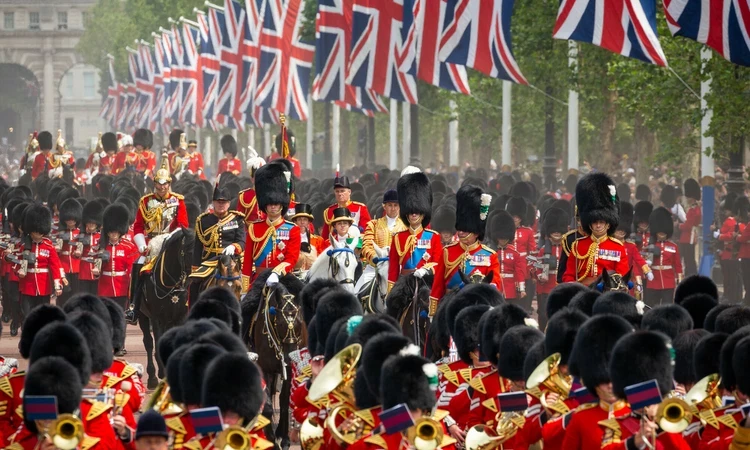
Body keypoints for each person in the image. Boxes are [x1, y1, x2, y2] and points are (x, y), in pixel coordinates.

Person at [126, 160, 189, 324]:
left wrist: (169, 239)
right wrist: (141, 245)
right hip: (150, 246)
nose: (162, 188)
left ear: (169, 184)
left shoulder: (178, 200)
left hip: (171, 242)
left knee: (185, 266)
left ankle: (188, 303)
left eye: (165, 184)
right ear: (154, 184)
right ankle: (133, 307)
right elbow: (138, 226)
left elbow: (183, 225)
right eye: (159, 185)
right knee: (137, 266)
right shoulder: (146, 201)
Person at [430, 185, 499, 309]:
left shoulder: (490, 255)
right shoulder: (447, 252)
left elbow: (495, 285)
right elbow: (438, 285)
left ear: (476, 231)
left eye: (465, 230)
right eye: (460, 229)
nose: (460, 233)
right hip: (449, 306)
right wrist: (433, 310)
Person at [241, 162, 300, 290]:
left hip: (283, 279)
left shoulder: (293, 229)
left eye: (276, 203)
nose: (273, 206)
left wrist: (276, 273)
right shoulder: (254, 228)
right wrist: (245, 289)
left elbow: (292, 258)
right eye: (270, 203)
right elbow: (247, 262)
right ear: (265, 204)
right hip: (258, 280)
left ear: (282, 204)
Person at [562, 173, 629, 284]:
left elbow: (622, 275)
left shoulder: (617, 247)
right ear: (589, 224)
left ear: (608, 224)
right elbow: (569, 275)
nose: (598, 225)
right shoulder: (578, 245)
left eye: (601, 222)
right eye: (595, 222)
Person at [387, 171, 441, 303]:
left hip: (426, 283)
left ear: (423, 214)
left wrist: (426, 270)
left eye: (417, 212)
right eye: (410, 212)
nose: (413, 215)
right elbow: (393, 269)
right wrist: (390, 292)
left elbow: (438, 263)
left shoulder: (433, 237)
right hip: (404, 285)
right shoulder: (398, 238)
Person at [189, 185, 246, 301]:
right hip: (211, 260)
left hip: (232, 260)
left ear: (229, 204)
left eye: (224, 202)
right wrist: (195, 268)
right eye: (218, 201)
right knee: (194, 286)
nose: (221, 205)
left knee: (247, 284)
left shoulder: (237, 219)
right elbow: (198, 247)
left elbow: (242, 241)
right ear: (213, 203)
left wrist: (234, 247)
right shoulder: (203, 220)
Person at [17, 204, 65, 315]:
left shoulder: (49, 246)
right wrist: (19, 271)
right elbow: (18, 262)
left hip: (44, 286)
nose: (36, 235)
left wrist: (58, 284)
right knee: (27, 314)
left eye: (39, 232)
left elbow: (55, 266)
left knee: (43, 315)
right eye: (34, 232)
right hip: (28, 285)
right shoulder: (24, 246)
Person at [355, 190, 406, 293]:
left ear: (400, 206)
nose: (393, 208)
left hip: (399, 268)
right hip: (375, 267)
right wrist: (374, 258)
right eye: (390, 205)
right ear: (384, 206)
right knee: (357, 291)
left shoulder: (406, 226)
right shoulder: (373, 224)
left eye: (396, 205)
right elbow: (366, 245)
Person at [533, 207, 570, 329]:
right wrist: (539, 274)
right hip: (546, 288)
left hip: (562, 287)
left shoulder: (568, 249)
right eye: (553, 230)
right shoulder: (544, 250)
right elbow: (537, 265)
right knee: (544, 316)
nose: (556, 232)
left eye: (559, 230)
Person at [99, 204, 140, 311]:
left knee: (121, 312)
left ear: (120, 231)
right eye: (111, 232)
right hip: (105, 285)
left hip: (121, 285)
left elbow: (132, 264)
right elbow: (95, 263)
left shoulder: (128, 246)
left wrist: (132, 278)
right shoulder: (102, 246)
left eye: (115, 231)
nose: (113, 234)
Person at [645, 207, 682, 307]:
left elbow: (677, 265)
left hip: (668, 280)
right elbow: (645, 262)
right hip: (654, 280)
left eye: (664, 233)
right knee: (652, 307)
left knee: (667, 307)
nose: (662, 234)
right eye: (660, 232)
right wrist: (649, 253)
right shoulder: (651, 245)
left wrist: (679, 279)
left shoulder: (673, 246)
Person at [321, 174, 371, 239]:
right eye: (337, 191)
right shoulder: (329, 211)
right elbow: (325, 236)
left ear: (349, 192)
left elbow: (367, 231)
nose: (339, 194)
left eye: (342, 191)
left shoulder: (359, 208)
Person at [55, 198, 82, 309]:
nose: (70, 221)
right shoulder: (59, 233)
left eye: (73, 219)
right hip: (64, 267)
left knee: (76, 294)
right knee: (64, 294)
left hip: (77, 267)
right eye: (68, 219)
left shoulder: (81, 233)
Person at [78, 200, 105, 294]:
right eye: (88, 223)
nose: (90, 225)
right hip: (84, 271)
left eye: (93, 223)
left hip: (96, 270)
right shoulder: (81, 235)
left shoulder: (101, 236)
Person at [291, 203, 325, 271]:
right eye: (299, 219)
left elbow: (322, 260)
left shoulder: (318, 240)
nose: (302, 222)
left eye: (305, 220)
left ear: (308, 222)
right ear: (295, 222)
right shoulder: (290, 239)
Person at [679, 178, 701, 277]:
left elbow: (688, 225)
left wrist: (679, 225)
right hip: (687, 237)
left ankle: (692, 276)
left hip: (689, 237)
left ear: (691, 198)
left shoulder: (694, 210)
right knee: (688, 260)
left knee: (689, 260)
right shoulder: (694, 209)